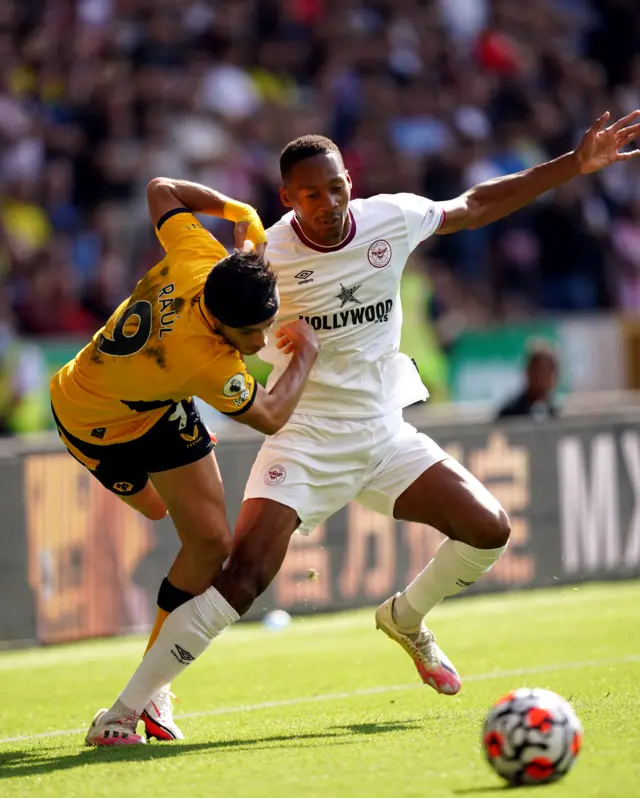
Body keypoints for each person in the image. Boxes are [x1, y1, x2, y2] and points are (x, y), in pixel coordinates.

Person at [87, 109, 640, 746]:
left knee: (488, 531)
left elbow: (475, 203)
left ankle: (407, 617)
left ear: (350, 179)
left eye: (337, 187)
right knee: (242, 579)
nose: (329, 204)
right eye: (311, 195)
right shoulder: (265, 255)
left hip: (382, 432)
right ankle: (123, 711)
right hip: (305, 437)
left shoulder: (391, 218)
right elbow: (210, 321)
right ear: (287, 199)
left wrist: (574, 163)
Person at [50, 177, 320, 746]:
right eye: (252, 333)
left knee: (209, 544)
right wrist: (305, 359)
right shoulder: (207, 362)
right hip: (89, 420)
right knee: (152, 511)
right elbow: (271, 415)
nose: (262, 337)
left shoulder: (202, 255)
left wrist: (235, 209)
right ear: (220, 324)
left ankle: (150, 688)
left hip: (148, 403)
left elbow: (159, 190)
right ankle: (152, 683)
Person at [497, 342, 560, 421]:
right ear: (529, 371)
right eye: (540, 370)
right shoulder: (510, 412)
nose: (546, 376)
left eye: (551, 370)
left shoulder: (554, 411)